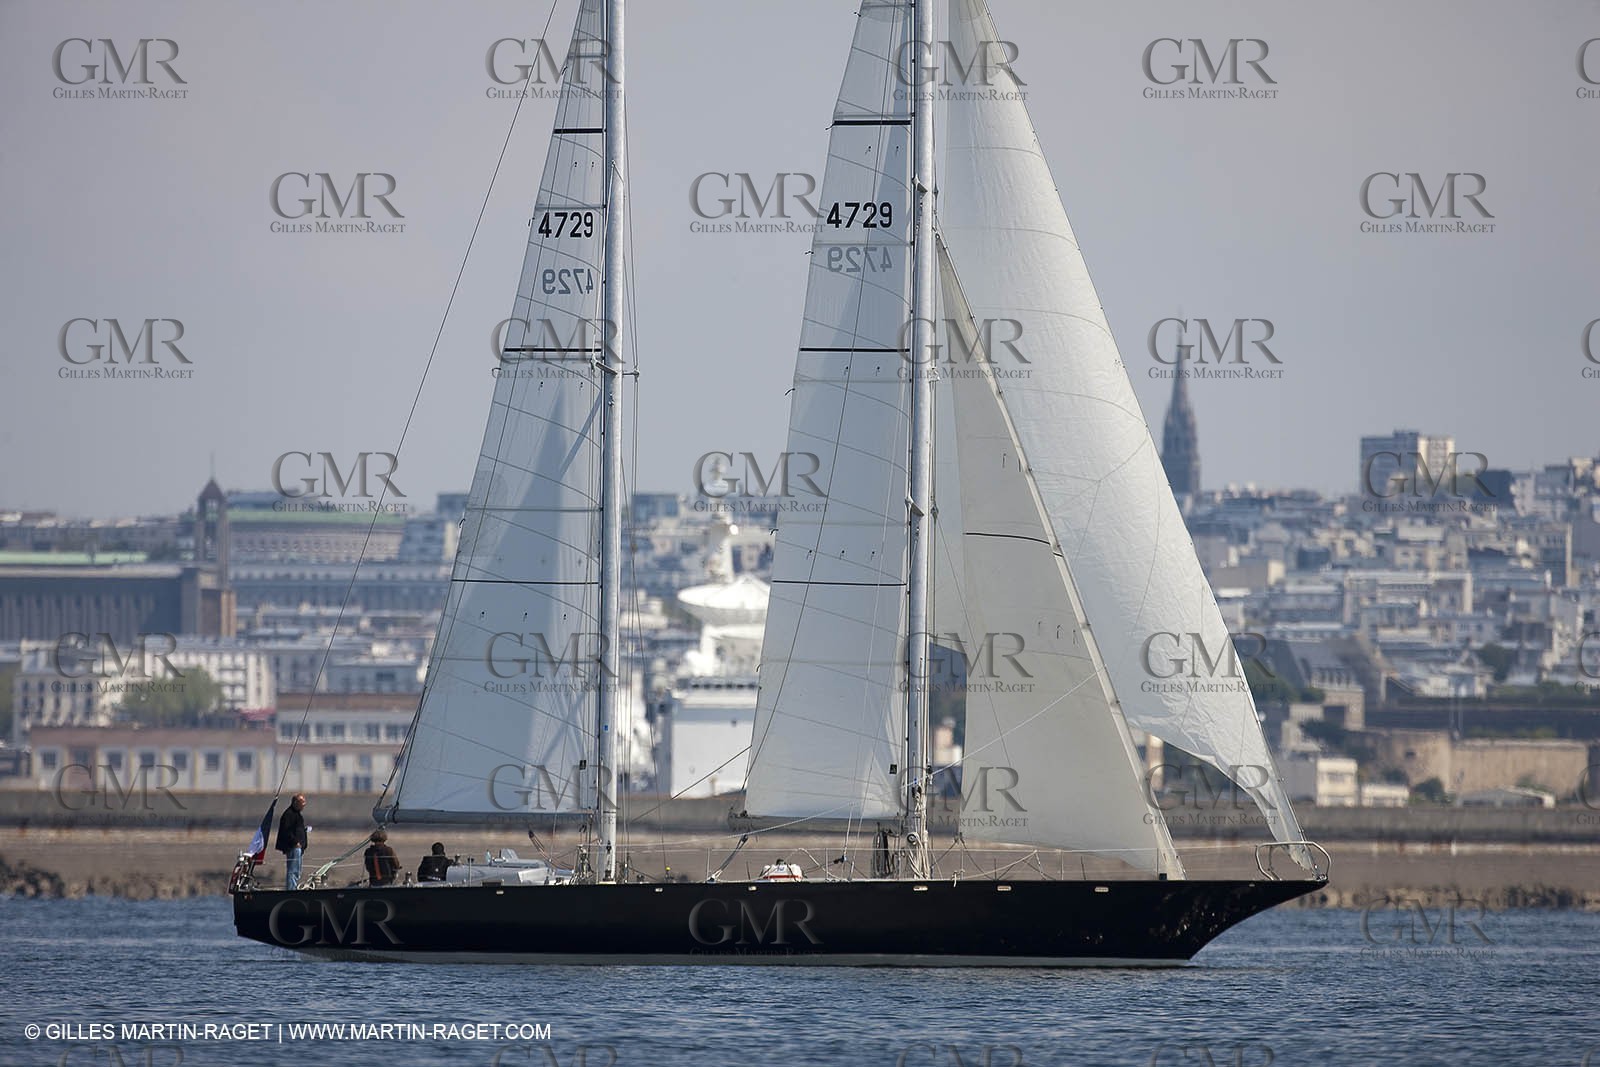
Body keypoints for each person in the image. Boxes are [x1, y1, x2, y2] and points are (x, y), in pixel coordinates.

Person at [275, 794, 308, 891]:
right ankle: (291, 890)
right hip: (293, 848)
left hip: (299, 848)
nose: (304, 805)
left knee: (297, 871)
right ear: (295, 803)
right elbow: (286, 831)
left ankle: (293, 888)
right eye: (302, 802)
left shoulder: (297, 815)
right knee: (293, 871)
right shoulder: (288, 814)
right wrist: (296, 842)